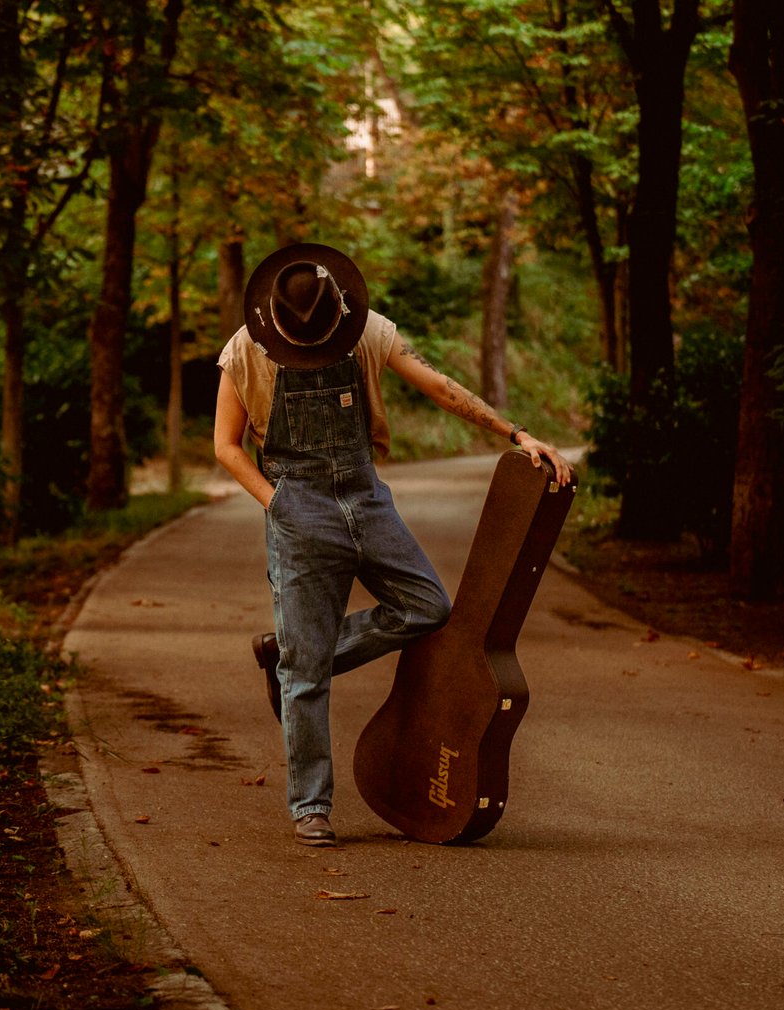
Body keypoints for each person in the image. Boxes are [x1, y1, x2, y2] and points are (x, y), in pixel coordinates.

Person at [212, 243, 572, 847]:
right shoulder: (245, 350)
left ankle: (292, 657)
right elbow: (225, 445)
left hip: (365, 496)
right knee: (306, 678)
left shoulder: (366, 330)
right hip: (297, 505)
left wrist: (517, 434)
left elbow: (439, 386)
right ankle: (311, 805)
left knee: (426, 607)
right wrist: (278, 505)